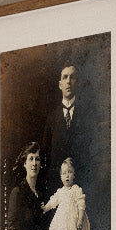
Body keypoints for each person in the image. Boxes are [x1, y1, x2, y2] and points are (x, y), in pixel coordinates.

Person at [42, 61, 92, 197]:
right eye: (65, 77)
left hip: (82, 187)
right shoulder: (51, 118)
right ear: (60, 85)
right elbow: (45, 154)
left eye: (72, 77)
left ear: (78, 82)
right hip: (57, 189)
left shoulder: (88, 115)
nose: (68, 81)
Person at [42, 157, 89, 230]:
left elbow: (81, 205)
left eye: (69, 172)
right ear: (61, 176)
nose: (67, 175)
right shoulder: (60, 192)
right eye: (64, 173)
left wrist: (80, 219)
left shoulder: (76, 189)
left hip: (74, 220)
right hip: (62, 221)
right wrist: (44, 208)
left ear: (74, 174)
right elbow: (53, 202)